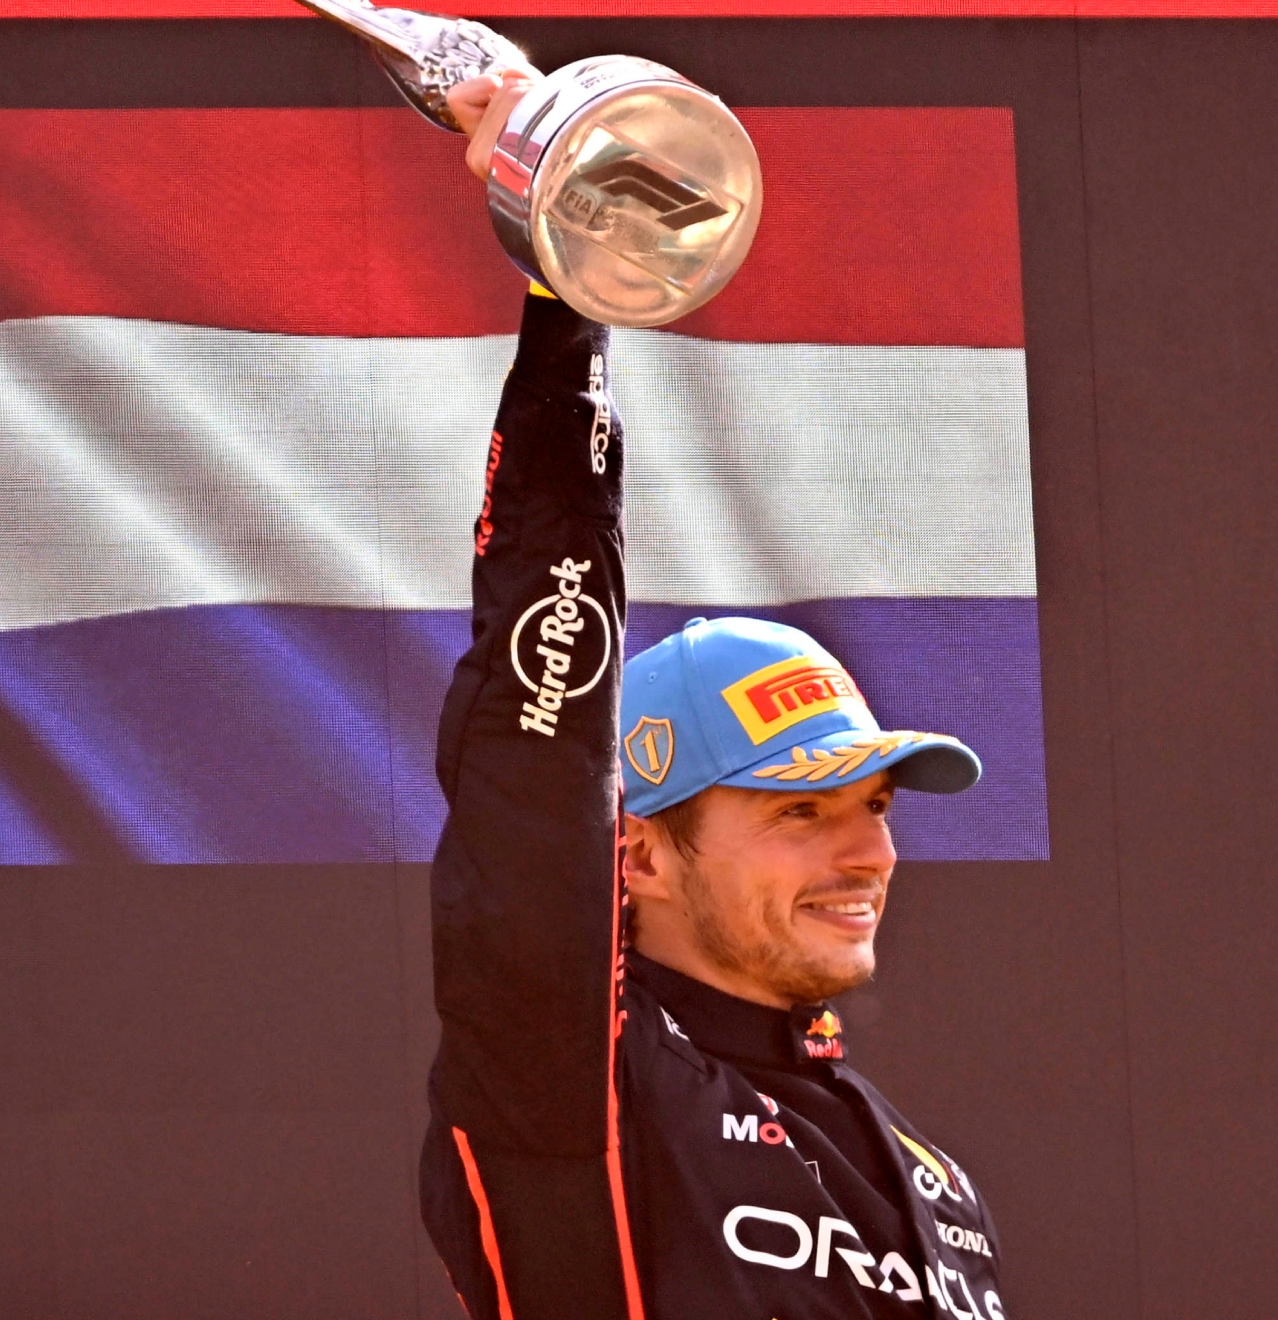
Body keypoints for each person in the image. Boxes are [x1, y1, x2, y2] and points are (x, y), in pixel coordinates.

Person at [420, 71, 1010, 1320]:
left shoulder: (934, 1179)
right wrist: (565, 283)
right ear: (632, 859)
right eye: (799, 812)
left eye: (873, 803)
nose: (868, 852)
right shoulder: (578, 1081)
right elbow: (537, 745)